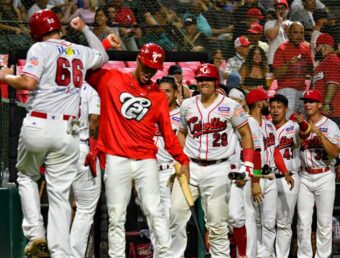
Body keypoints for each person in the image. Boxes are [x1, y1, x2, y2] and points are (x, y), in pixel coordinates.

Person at [0, 10, 108, 256]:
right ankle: (60, 253)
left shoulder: (39, 48)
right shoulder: (79, 51)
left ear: (36, 32)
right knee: (60, 195)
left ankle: (36, 235)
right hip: (68, 133)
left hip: (39, 124)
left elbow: (28, 83)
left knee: (27, 177)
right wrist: (84, 29)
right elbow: (102, 56)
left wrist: (6, 76)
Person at [85, 42, 189, 257]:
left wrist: (183, 159)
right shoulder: (111, 79)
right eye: (147, 66)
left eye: (154, 68)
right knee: (116, 215)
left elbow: (169, 135)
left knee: (154, 211)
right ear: (138, 61)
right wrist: (104, 44)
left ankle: (166, 255)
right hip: (116, 157)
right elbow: (83, 69)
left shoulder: (158, 96)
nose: (149, 71)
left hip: (146, 159)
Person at [169, 63, 255, 258]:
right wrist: (179, 159)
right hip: (190, 166)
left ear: (216, 81)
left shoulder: (231, 106)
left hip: (219, 169)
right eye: (200, 79)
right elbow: (182, 132)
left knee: (217, 225)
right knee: (175, 215)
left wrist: (247, 165)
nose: (204, 82)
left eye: (208, 79)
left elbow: (246, 135)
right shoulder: (187, 105)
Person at [246, 88, 294, 258]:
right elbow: (255, 154)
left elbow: (274, 151)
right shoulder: (247, 124)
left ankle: (267, 254)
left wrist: (285, 172)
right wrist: (255, 181)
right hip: (255, 177)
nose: (269, 105)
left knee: (268, 222)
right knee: (255, 222)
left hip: (271, 177)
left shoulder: (268, 125)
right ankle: (258, 254)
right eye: (266, 101)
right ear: (259, 103)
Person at [296, 90, 340, 258]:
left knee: (324, 223)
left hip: (324, 175)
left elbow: (335, 152)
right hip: (305, 177)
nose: (307, 104)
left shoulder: (331, 125)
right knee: (303, 222)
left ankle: (323, 256)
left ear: (320, 105)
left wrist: (319, 133)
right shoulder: (299, 125)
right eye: (305, 101)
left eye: (312, 101)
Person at [228, 87, 262, 258]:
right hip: (229, 171)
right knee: (234, 218)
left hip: (244, 171)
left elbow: (256, 152)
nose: (232, 103)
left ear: (243, 103)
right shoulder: (227, 118)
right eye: (230, 99)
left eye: (236, 100)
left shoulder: (250, 122)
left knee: (246, 215)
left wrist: (255, 180)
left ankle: (249, 254)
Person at [69, 82, 101, 258]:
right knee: (85, 209)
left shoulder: (60, 86)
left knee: (59, 205)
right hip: (81, 148)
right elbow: (94, 121)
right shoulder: (90, 91)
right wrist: (93, 149)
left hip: (59, 150)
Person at [150, 76, 180, 257]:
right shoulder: (148, 113)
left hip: (171, 172)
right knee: (153, 221)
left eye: (167, 90)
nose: (163, 94)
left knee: (172, 221)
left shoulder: (182, 113)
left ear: (176, 93)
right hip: (150, 171)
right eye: (160, 90)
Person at [269, 94, 301, 258]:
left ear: (286, 109)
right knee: (267, 223)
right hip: (269, 179)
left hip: (290, 179)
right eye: (273, 107)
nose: (275, 110)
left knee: (284, 224)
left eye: (279, 107)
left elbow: (305, 134)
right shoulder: (265, 126)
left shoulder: (294, 127)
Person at [273, 22, 314, 117]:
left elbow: (310, 70)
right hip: (287, 90)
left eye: (301, 33)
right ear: (289, 34)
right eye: (296, 32)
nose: (299, 36)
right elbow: (277, 74)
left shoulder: (305, 48)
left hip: (302, 90)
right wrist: (289, 64)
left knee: (303, 121)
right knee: (287, 121)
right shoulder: (281, 49)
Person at [312, 33, 340, 124]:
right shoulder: (324, 61)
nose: (316, 50)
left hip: (333, 113)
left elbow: (333, 83)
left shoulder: (331, 59)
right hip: (327, 114)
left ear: (322, 46)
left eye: (317, 47)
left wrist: (326, 103)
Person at [264, 0, 291, 68]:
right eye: (278, 8)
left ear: (287, 10)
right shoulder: (269, 23)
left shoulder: (292, 24)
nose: (280, 10)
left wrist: (289, 33)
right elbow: (271, 36)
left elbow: (299, 41)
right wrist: (279, 22)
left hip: (289, 60)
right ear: (275, 11)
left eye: (283, 8)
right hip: (273, 60)